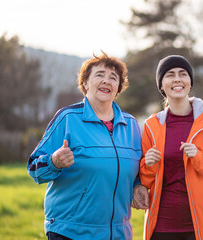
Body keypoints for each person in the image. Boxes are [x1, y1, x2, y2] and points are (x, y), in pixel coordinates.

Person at [27, 52, 148, 240]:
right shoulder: (67, 118)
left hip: (118, 233)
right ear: (85, 83)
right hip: (71, 231)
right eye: (99, 75)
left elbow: (136, 169)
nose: (106, 81)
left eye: (113, 77)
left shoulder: (131, 125)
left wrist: (138, 185)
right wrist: (54, 162)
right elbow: (34, 168)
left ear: (119, 87)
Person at [140, 55, 203, 240]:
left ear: (189, 83)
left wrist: (199, 158)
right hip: (161, 226)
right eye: (170, 74)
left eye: (182, 74)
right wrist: (149, 164)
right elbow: (144, 180)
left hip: (201, 226)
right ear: (161, 85)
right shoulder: (151, 126)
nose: (177, 78)